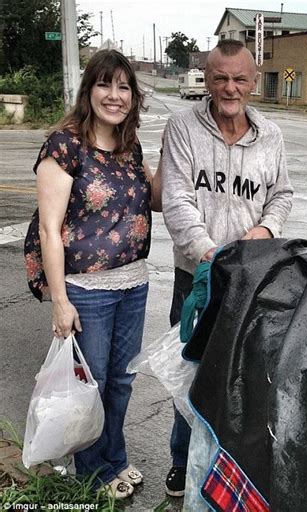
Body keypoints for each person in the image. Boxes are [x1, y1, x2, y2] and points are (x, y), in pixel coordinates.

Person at [24, 49, 161, 499]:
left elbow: (154, 197)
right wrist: (60, 301)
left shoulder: (130, 146)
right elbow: (49, 229)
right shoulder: (63, 146)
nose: (115, 95)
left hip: (133, 283)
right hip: (87, 289)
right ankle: (92, 473)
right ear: (89, 90)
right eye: (105, 84)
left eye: (124, 87)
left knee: (122, 381)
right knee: (92, 383)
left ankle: (114, 459)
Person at [161, 39, 293, 497]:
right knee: (191, 374)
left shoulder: (271, 135)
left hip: (253, 278)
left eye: (239, 78)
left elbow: (281, 195)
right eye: (220, 78)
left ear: (254, 81)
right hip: (196, 278)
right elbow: (175, 198)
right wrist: (209, 255)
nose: (230, 87)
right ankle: (182, 463)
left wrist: (265, 232)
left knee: (242, 379)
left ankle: (230, 471)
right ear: (207, 78)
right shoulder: (183, 127)